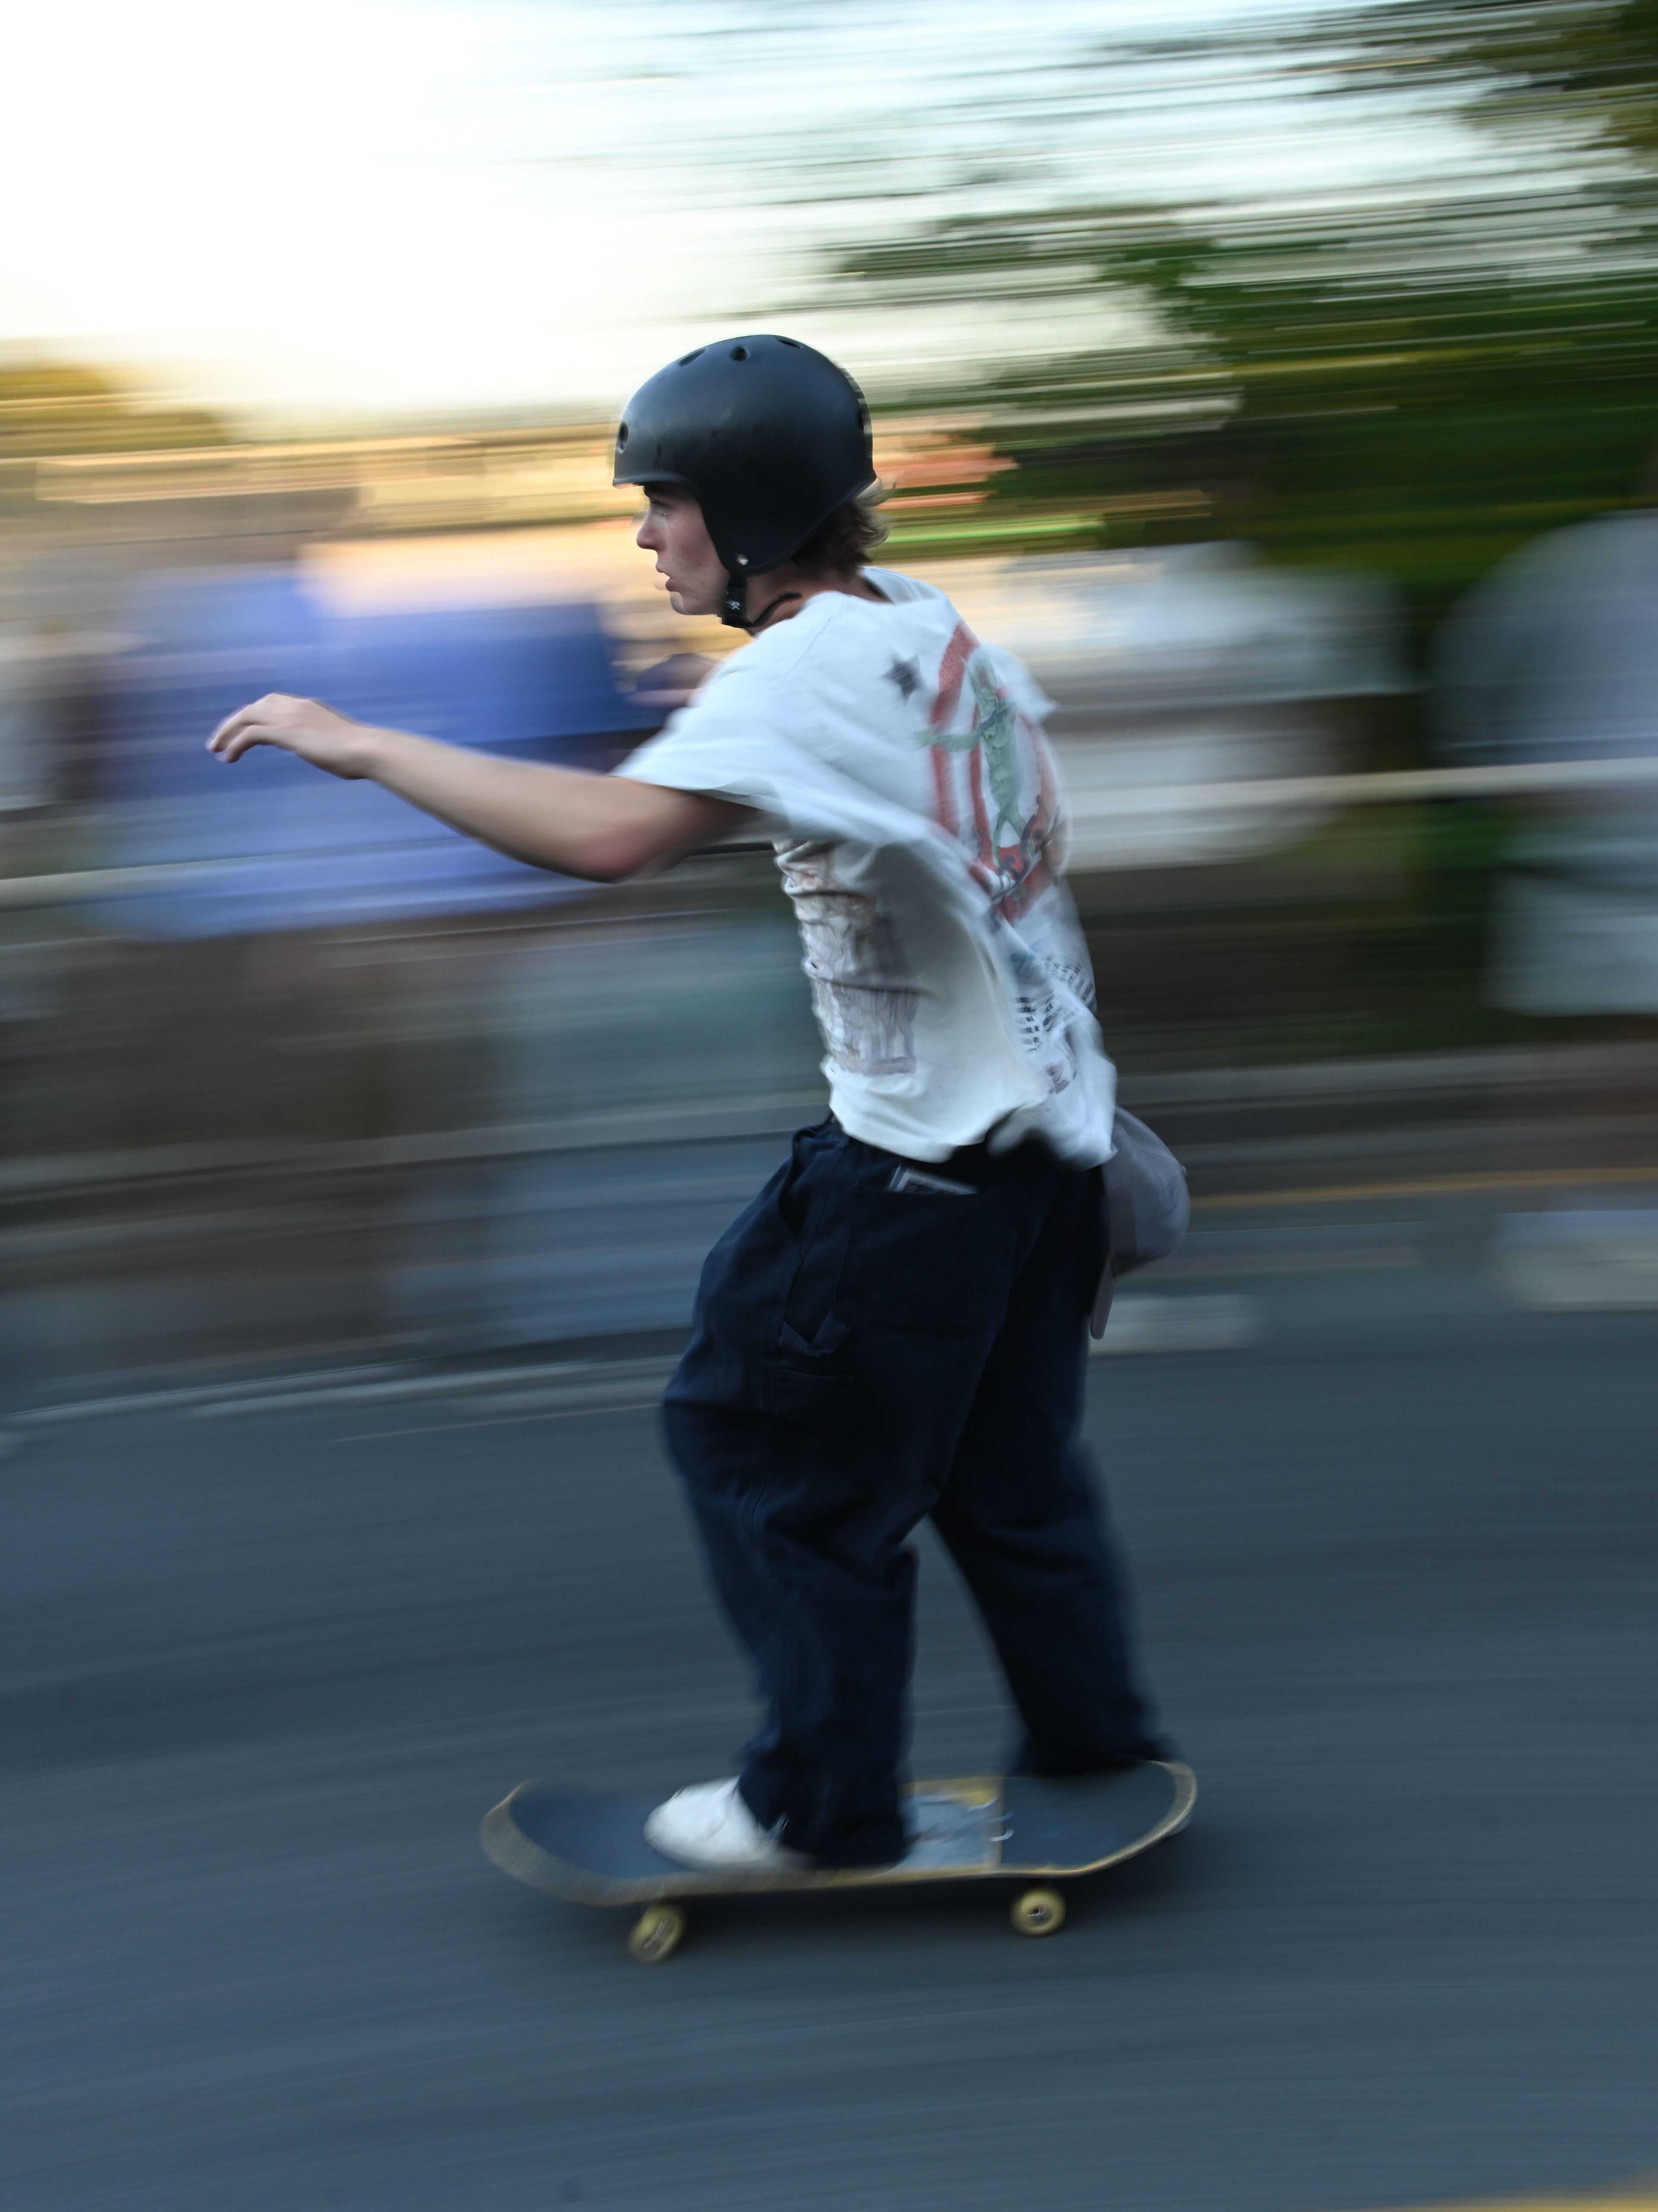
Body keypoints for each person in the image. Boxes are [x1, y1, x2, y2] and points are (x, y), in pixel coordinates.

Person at [207, 334, 1171, 1873]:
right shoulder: (923, 630)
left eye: (664, 504)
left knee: (758, 1445)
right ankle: (1098, 1743)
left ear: (753, 513)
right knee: (1007, 1478)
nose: (646, 535)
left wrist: (370, 744)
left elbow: (609, 839)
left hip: (912, 1174)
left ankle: (814, 1806)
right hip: (1042, 1158)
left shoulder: (802, 669)